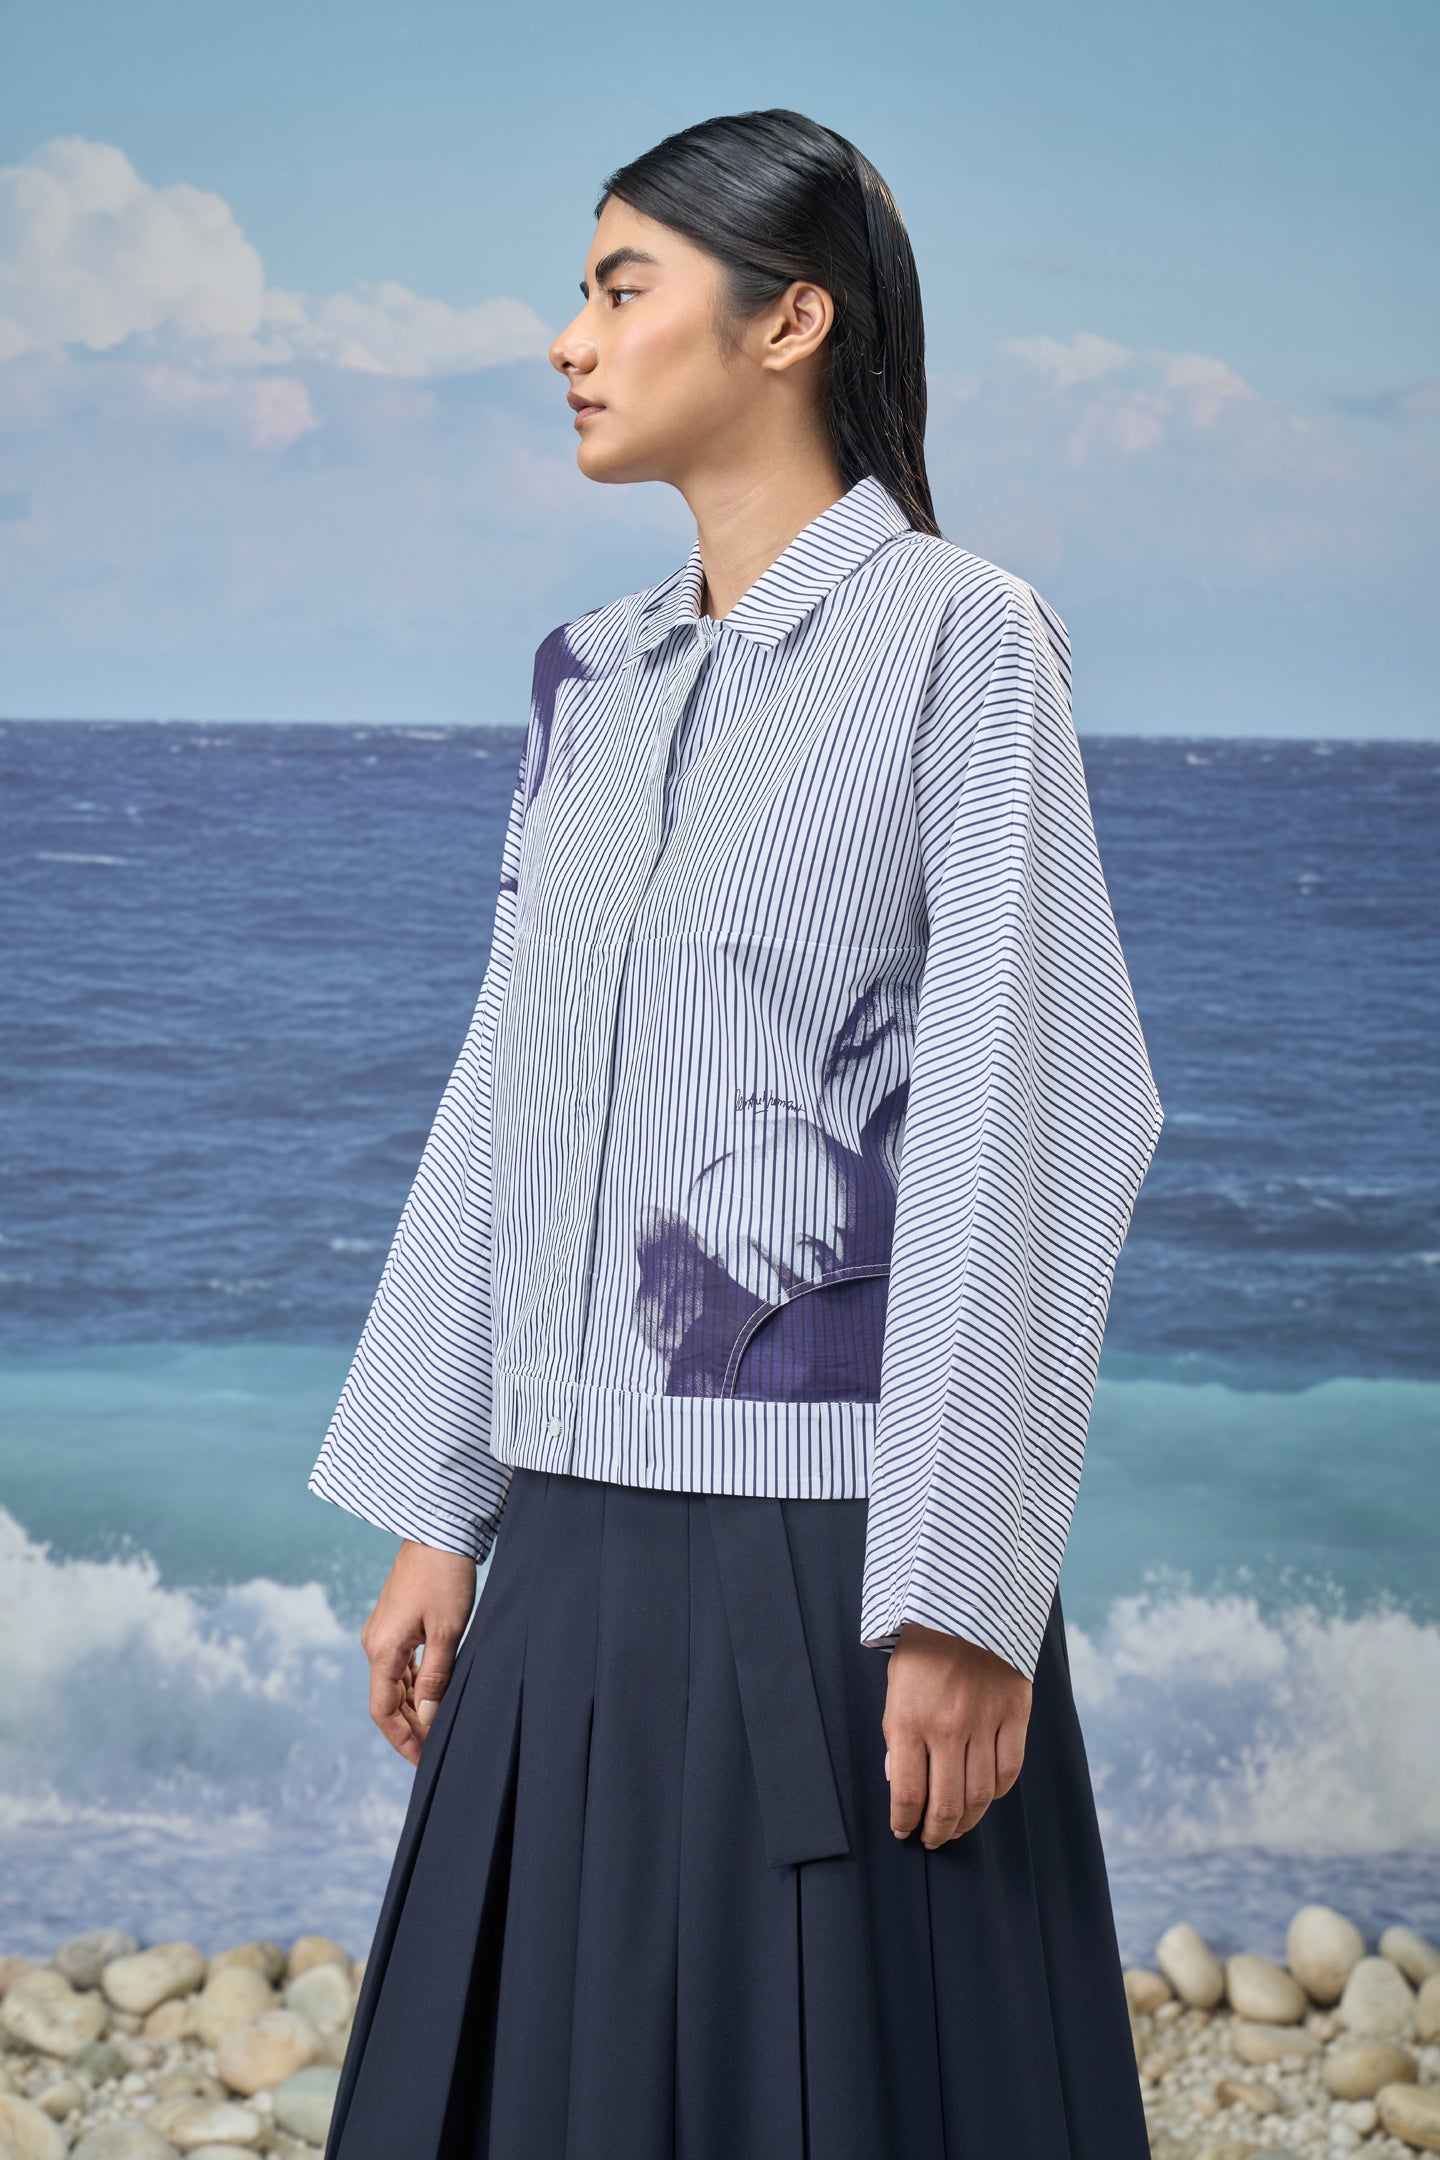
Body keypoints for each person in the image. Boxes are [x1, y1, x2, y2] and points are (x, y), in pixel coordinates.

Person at [308, 106, 1165, 2160]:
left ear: (791, 321)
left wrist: (963, 1594)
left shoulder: (963, 641)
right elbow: (509, 1084)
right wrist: (441, 1503)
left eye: (623, 287)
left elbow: (1034, 1106)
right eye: (583, 291)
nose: (570, 338)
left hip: (831, 1561)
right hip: (567, 1548)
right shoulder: (587, 678)